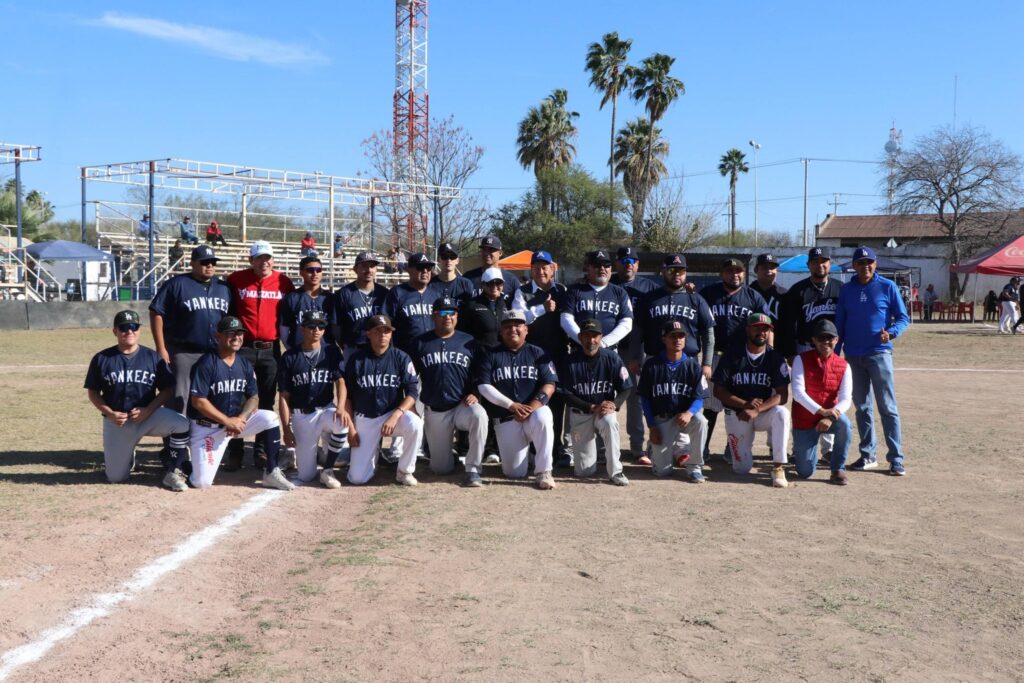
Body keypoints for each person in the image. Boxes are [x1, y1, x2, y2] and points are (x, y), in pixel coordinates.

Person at [84, 310, 191, 491]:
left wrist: (149, 409)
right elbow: (93, 392)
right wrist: (110, 413)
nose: (129, 331)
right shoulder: (102, 358)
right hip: (117, 422)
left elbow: (167, 389)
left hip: (149, 416)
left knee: (181, 424)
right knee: (116, 477)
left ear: (139, 330)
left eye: (134, 327)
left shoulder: (153, 357)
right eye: (124, 327)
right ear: (115, 331)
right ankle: (128, 455)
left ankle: (174, 469)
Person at [187, 316, 291, 490]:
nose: (236, 337)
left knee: (270, 417)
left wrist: (241, 418)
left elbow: (254, 397)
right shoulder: (206, 363)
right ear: (218, 336)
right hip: (208, 429)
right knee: (202, 482)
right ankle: (182, 465)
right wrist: (227, 421)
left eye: (240, 333)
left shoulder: (243, 363)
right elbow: (198, 401)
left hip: (235, 425)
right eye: (230, 333)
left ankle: (272, 471)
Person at [631, 253, 715, 464]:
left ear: (686, 273)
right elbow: (637, 330)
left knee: (688, 403)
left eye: (681, 270)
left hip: (688, 361)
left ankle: (683, 450)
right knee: (656, 402)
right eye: (672, 270)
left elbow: (708, 332)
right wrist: (634, 357)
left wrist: (706, 362)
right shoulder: (650, 298)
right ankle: (655, 442)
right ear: (663, 272)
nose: (677, 274)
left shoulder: (695, 299)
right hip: (655, 360)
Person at [835, 246, 910, 475]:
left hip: (879, 354)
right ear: (854, 266)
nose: (865, 267)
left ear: (875, 264)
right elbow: (840, 324)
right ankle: (868, 454)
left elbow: (903, 318)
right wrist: (835, 355)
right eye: (860, 263)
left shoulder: (888, 286)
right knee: (862, 407)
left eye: (869, 263)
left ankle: (896, 458)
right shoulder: (846, 290)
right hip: (853, 356)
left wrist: (892, 332)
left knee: (887, 407)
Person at [224, 241, 295, 471]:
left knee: (266, 399)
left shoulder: (284, 282)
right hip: (242, 347)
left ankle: (261, 450)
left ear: (273, 260)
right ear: (251, 260)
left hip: (270, 349)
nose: (264, 262)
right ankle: (235, 450)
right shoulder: (236, 280)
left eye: (268, 258)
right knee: (238, 397)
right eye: (259, 258)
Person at [476, 310, 558, 489]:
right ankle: (528, 455)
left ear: (526, 330)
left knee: (544, 415)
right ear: (501, 332)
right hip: (507, 418)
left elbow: (550, 385)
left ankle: (544, 471)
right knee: (514, 473)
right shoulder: (491, 355)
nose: (512, 329)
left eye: (517, 325)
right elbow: (483, 387)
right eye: (507, 326)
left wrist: (530, 408)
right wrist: (512, 406)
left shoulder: (538, 353)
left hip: (533, 413)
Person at [149, 245, 232, 424]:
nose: (209, 265)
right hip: (183, 352)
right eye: (204, 262)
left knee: (211, 396)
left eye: (213, 262)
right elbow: (156, 312)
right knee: (180, 397)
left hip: (214, 353)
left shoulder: (223, 287)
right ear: (192, 263)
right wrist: (161, 348)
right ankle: (175, 437)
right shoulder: (176, 284)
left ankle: (204, 436)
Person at [699, 258, 769, 461]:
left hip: (742, 359)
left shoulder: (753, 296)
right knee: (710, 407)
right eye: (729, 271)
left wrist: (767, 353)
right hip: (715, 356)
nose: (734, 275)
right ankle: (703, 447)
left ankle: (733, 447)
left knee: (738, 404)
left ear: (744, 273)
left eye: (738, 271)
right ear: (722, 273)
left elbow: (766, 325)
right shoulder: (708, 293)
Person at [414, 297, 488, 486]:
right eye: (442, 313)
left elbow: (481, 371)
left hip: (462, 405)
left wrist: (476, 392)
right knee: (441, 469)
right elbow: (410, 376)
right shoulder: (421, 342)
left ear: (457, 316)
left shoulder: (468, 341)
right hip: (436, 409)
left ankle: (473, 469)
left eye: (452, 313)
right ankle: (451, 457)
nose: (448, 317)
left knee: (479, 416)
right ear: (434, 316)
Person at [342, 314, 424, 486]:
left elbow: (412, 392)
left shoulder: (401, 357)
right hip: (365, 418)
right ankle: (373, 457)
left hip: (392, 415)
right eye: (377, 331)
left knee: (415, 424)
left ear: (391, 333)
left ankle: (404, 471)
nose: (382, 335)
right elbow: (347, 397)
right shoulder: (356, 360)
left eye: (386, 331)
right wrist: (351, 428)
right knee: (357, 479)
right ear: (368, 333)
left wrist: (395, 415)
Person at [712, 313, 792, 488]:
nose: (761, 332)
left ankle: (778, 467)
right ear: (747, 329)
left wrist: (757, 409)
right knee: (741, 469)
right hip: (738, 413)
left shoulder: (775, 357)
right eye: (757, 328)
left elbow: (782, 395)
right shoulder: (732, 354)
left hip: (762, 413)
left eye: (765, 329)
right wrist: (744, 405)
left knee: (782, 413)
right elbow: (718, 391)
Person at [778, 246, 842, 462]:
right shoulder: (797, 291)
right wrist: (790, 352)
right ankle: (800, 445)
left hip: (832, 349)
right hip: (805, 347)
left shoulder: (840, 289)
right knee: (803, 396)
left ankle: (828, 448)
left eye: (824, 261)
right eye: (815, 261)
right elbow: (787, 325)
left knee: (830, 394)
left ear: (830, 263)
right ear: (809, 265)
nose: (820, 265)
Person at [278, 310, 350, 489]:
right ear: (302, 329)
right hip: (302, 416)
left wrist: (341, 407)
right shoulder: (289, 357)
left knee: (342, 422)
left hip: (325, 409)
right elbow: (284, 397)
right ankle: (316, 453)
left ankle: (327, 469)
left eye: (321, 326)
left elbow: (341, 381)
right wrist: (286, 429)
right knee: (306, 476)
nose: (316, 330)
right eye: (311, 326)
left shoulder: (331, 351)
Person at [512, 250, 571, 466]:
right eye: (536, 268)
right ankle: (532, 450)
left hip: (558, 354)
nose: (541, 272)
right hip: (531, 357)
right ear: (531, 270)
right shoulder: (522, 292)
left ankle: (555, 449)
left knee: (557, 402)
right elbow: (518, 319)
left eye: (545, 267)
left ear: (552, 269)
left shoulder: (562, 291)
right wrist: (541, 309)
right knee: (532, 400)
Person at [557, 319, 633, 485]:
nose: (590, 340)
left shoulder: (612, 358)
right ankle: (591, 458)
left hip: (603, 412)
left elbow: (626, 387)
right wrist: (590, 406)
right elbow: (565, 394)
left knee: (610, 422)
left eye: (594, 336)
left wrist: (614, 404)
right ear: (580, 337)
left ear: (601, 337)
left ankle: (616, 471)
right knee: (584, 471)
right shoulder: (570, 361)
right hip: (581, 414)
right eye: (586, 336)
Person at [637, 320, 708, 483]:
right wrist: (652, 427)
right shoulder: (652, 365)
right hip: (662, 419)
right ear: (664, 339)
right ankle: (653, 449)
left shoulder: (693, 366)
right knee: (662, 472)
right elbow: (645, 400)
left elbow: (700, 397)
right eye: (673, 336)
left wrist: (689, 413)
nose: (677, 340)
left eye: (681, 336)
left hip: (684, 417)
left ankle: (695, 466)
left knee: (701, 422)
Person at [610, 246, 658, 462]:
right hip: (609, 348)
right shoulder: (608, 283)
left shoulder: (649, 287)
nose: (628, 264)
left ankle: (637, 447)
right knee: (606, 396)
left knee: (636, 399)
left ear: (637, 264)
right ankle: (603, 447)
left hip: (636, 350)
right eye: (623, 261)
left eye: (632, 261)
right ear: (616, 264)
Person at [790, 319, 853, 484]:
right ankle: (805, 455)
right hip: (804, 421)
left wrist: (830, 417)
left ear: (836, 340)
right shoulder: (800, 360)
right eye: (821, 338)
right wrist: (822, 411)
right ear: (814, 340)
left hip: (829, 418)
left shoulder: (844, 365)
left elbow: (846, 399)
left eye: (829, 338)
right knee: (805, 472)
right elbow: (798, 393)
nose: (825, 342)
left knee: (845, 425)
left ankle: (837, 469)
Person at [561, 249, 633, 351]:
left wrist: (603, 343)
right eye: (597, 265)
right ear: (588, 268)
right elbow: (565, 319)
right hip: (579, 350)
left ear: (611, 268)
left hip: (608, 350)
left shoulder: (620, 293)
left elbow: (626, 323)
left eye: (606, 265)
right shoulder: (574, 291)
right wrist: (584, 341)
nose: (602, 268)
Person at [329, 251, 390, 357]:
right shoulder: (344, 293)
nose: (369, 270)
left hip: (380, 348)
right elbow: (336, 325)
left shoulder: (384, 293)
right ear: (355, 269)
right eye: (364, 266)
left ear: (376, 269)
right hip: (354, 348)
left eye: (372, 266)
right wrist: (344, 345)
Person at [383, 252, 443, 355]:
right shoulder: (397, 292)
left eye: (428, 268)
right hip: (405, 353)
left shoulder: (436, 295)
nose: (425, 271)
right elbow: (385, 321)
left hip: (432, 353)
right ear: (409, 269)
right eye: (420, 267)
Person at [279, 254, 333, 351]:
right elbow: (284, 331)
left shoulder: (330, 298)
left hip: (326, 354)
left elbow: (337, 329)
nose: (315, 273)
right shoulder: (292, 298)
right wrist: (292, 351)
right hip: (299, 351)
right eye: (310, 270)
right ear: (301, 273)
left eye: (318, 270)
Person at [458, 266, 513, 348]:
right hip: (479, 353)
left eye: (498, 283)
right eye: (490, 283)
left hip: (501, 353)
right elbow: (462, 332)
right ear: (483, 285)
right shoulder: (471, 305)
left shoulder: (505, 304)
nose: (494, 287)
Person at [750, 253, 788, 328]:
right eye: (764, 267)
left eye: (772, 267)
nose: (769, 270)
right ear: (756, 270)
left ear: (777, 270)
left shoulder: (785, 294)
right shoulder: (747, 293)